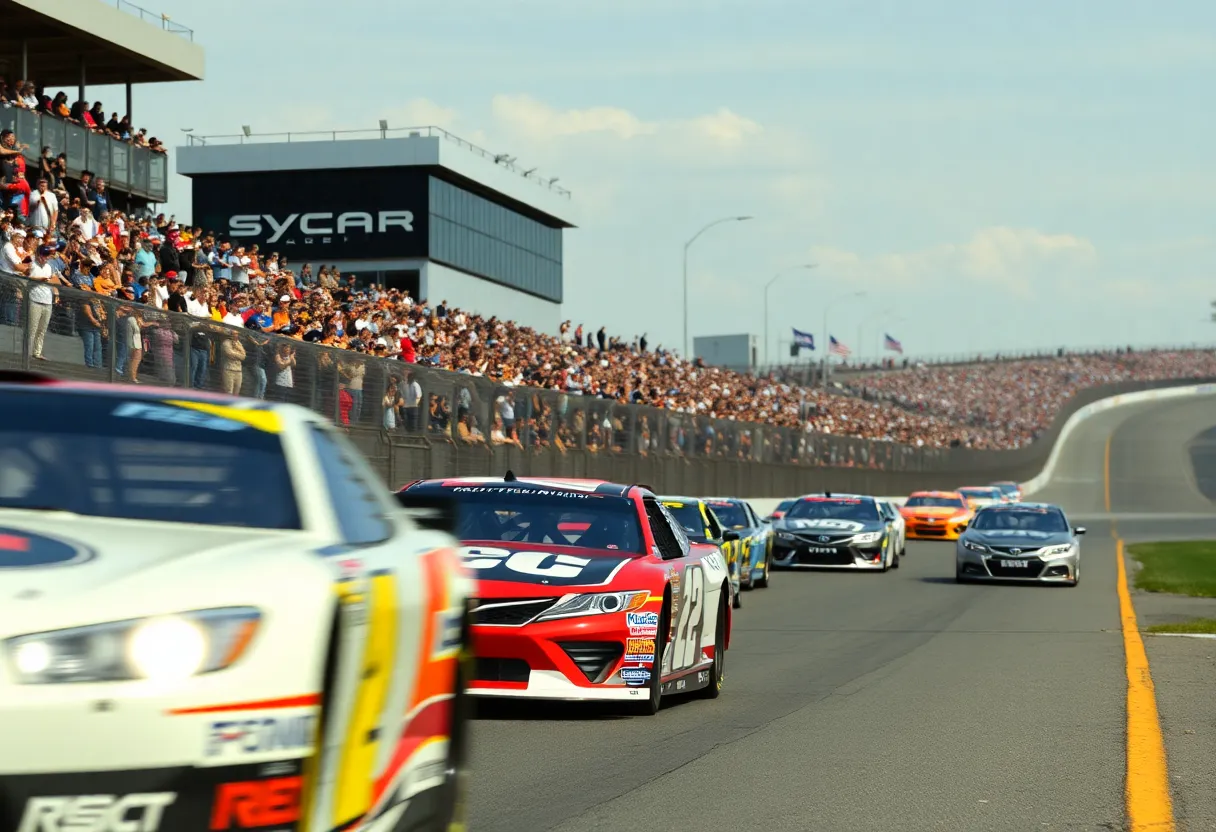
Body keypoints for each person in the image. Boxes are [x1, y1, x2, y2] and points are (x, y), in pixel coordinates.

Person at [219, 329, 246, 396]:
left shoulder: (239, 343)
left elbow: (243, 356)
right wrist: (238, 354)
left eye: (237, 334)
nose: (236, 335)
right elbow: (229, 354)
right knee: (229, 392)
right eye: (234, 334)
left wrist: (237, 352)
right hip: (229, 370)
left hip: (239, 371)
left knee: (236, 392)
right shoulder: (226, 343)